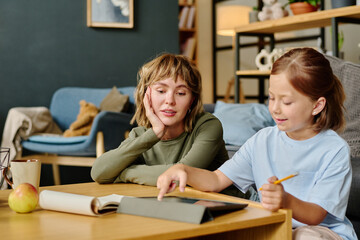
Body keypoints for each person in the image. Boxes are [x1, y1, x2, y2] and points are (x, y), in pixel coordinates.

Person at [157, 48, 357, 240]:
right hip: (275, 224)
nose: (275, 109)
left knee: (304, 236)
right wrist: (182, 169)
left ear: (317, 105)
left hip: (320, 231)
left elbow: (316, 215)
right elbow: (216, 181)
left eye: (286, 102)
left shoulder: (334, 150)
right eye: (271, 98)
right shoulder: (263, 140)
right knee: (205, 212)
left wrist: (286, 201)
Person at [91, 53, 229, 186]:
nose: (170, 101)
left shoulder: (208, 126)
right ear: (146, 94)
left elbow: (181, 176)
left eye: (181, 93)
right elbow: (98, 173)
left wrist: (123, 174)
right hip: (174, 205)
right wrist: (155, 133)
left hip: (226, 206)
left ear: (192, 100)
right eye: (161, 91)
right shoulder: (141, 135)